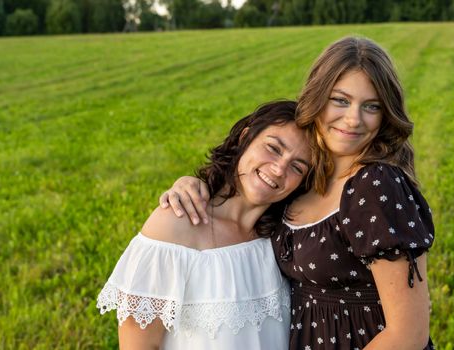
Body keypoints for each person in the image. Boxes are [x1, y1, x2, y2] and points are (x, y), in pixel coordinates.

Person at [161, 36, 435, 349]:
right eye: (340, 100)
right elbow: (245, 197)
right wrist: (193, 184)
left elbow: (408, 335)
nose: (353, 119)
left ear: (386, 114)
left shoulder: (375, 184)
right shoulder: (304, 177)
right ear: (317, 98)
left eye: (371, 106)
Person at [97, 100, 326, 349]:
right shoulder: (174, 227)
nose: (279, 169)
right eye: (273, 148)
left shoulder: (283, 239)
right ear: (245, 138)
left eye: (297, 167)